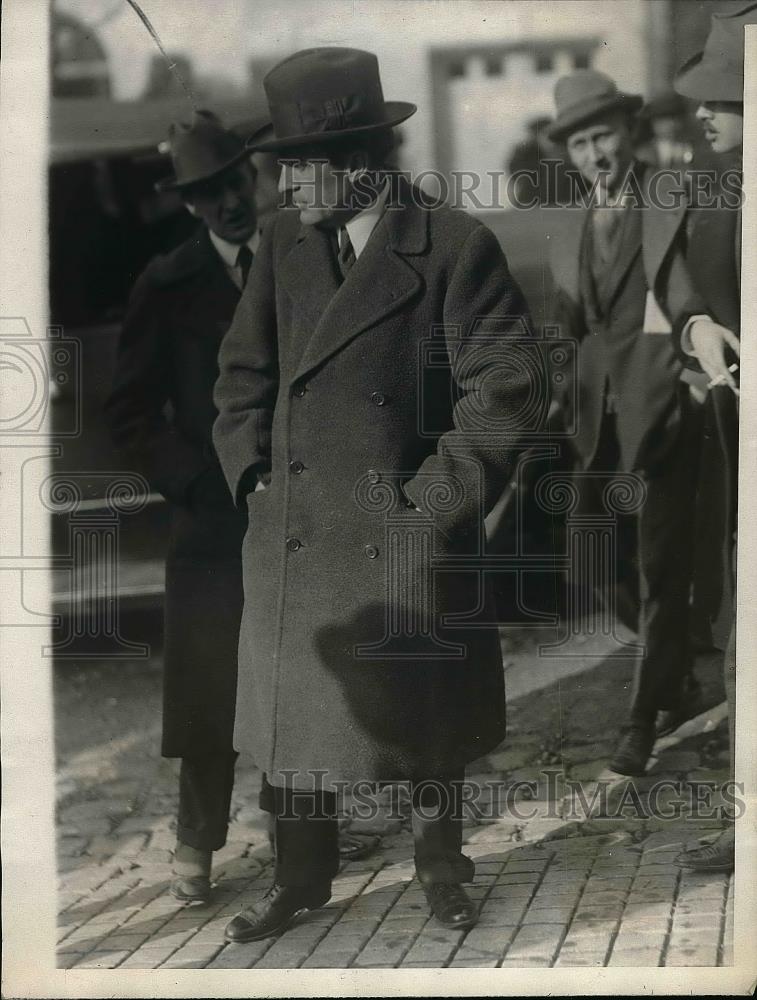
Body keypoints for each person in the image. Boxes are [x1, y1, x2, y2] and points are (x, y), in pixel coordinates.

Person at [213, 46, 536, 941]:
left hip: (402, 529)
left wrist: (433, 507)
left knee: (425, 717)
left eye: (297, 166)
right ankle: (298, 877)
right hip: (295, 526)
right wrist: (252, 473)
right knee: (294, 715)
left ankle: (441, 870)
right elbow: (241, 376)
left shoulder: (453, 246)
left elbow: (508, 387)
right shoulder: (282, 246)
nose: (283, 186)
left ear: (356, 162)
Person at [105, 110, 376, 905]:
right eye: (205, 195)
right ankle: (196, 843)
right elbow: (130, 414)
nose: (225, 204)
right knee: (208, 689)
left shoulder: (305, 255)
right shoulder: (166, 283)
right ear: (188, 204)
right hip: (214, 521)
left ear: (251, 177)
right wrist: (201, 481)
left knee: (304, 676)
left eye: (232, 183)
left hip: (299, 510)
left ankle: (305, 835)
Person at [546, 70, 702, 777]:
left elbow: (688, 296)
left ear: (628, 131)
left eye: (602, 136)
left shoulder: (667, 197)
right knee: (590, 554)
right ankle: (677, 666)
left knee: (659, 566)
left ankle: (641, 718)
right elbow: (568, 320)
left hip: (663, 405)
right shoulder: (572, 224)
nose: (594, 154)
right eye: (580, 144)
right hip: (595, 418)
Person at [671, 1, 756, 875]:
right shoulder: (715, 189)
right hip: (742, 458)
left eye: (720, 98)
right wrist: (696, 325)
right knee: (744, 641)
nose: (701, 113)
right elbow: (684, 283)